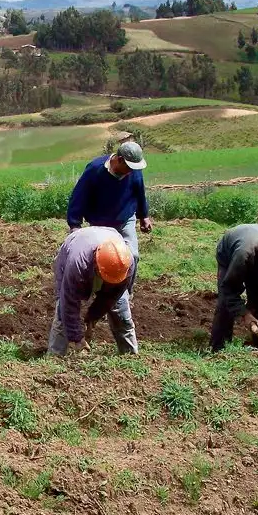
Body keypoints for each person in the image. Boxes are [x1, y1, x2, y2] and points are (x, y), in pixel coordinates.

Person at [66, 141, 152, 292]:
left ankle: (125, 292)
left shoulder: (133, 169)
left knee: (132, 256)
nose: (132, 171)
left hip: (125, 219)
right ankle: (97, 290)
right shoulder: (95, 170)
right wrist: (75, 225)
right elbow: (79, 196)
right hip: (100, 224)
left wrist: (143, 215)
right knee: (102, 259)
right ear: (119, 159)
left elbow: (140, 191)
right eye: (129, 167)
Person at [48, 226, 137, 356]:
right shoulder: (77, 263)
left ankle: (130, 356)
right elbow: (69, 303)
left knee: (121, 310)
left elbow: (112, 296)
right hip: (75, 244)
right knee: (62, 311)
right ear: (96, 266)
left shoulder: (126, 263)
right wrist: (77, 338)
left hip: (108, 239)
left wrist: (92, 317)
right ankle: (55, 357)